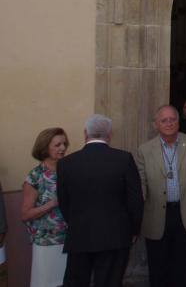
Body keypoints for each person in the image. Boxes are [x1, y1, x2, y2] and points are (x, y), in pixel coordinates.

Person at [57, 115, 143, 287]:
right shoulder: (124, 159)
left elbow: (63, 201)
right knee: (110, 282)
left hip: (80, 235)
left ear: (85, 133)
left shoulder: (66, 163)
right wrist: (134, 229)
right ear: (109, 135)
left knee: (77, 282)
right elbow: (135, 200)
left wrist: (75, 222)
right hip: (116, 236)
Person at [136, 104, 186, 287]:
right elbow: (141, 184)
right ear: (156, 125)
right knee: (157, 266)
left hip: (184, 212)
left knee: (181, 265)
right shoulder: (144, 150)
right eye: (164, 120)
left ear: (178, 121)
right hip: (155, 215)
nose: (169, 123)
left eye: (172, 119)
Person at [21, 128, 70, 287]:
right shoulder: (36, 176)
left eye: (64, 144)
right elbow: (25, 214)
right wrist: (52, 203)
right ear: (45, 147)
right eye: (57, 145)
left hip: (70, 240)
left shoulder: (70, 170)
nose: (62, 148)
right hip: (46, 244)